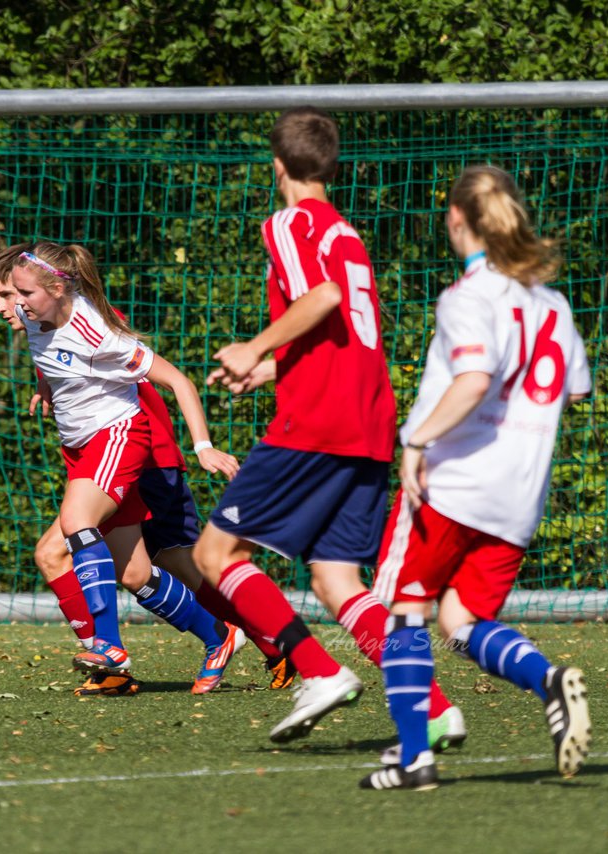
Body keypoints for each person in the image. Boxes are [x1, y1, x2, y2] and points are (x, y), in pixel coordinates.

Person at [195, 106, 461, 747]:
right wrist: (271, 368)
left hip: (317, 424)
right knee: (336, 578)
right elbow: (339, 332)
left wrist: (253, 347)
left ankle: (318, 672)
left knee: (215, 553)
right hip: (370, 425)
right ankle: (433, 707)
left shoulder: (291, 222)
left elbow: (323, 300)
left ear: (279, 166)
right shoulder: (346, 232)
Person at [359, 165, 593, 791]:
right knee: (461, 619)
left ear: (457, 218)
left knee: (399, 612)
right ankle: (548, 681)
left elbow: (474, 379)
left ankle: (415, 758)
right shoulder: (554, 302)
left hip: (453, 484)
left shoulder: (467, 296)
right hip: (519, 494)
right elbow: (572, 391)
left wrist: (417, 439)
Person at [0, 246, 292, 695]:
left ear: (53, 287)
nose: (4, 306)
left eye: (11, 294)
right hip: (88, 449)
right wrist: (45, 387)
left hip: (132, 447)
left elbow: (175, 381)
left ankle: (269, 640)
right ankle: (216, 637)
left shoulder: (95, 329)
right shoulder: (38, 315)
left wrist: (203, 447)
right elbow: (50, 355)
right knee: (134, 572)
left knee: (158, 556)